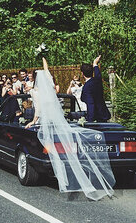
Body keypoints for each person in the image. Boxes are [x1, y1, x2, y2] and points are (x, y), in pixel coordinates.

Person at [27, 56, 115, 200]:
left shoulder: (36, 92)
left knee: (51, 147)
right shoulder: (95, 80)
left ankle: (62, 174)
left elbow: (38, 110)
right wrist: (95, 64)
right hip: (93, 116)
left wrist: (89, 121)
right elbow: (47, 71)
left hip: (45, 121)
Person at [80, 55, 111, 122]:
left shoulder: (87, 87)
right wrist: (95, 64)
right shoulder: (97, 81)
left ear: (82, 74)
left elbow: (91, 104)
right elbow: (98, 74)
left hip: (96, 119)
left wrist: (90, 122)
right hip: (104, 115)